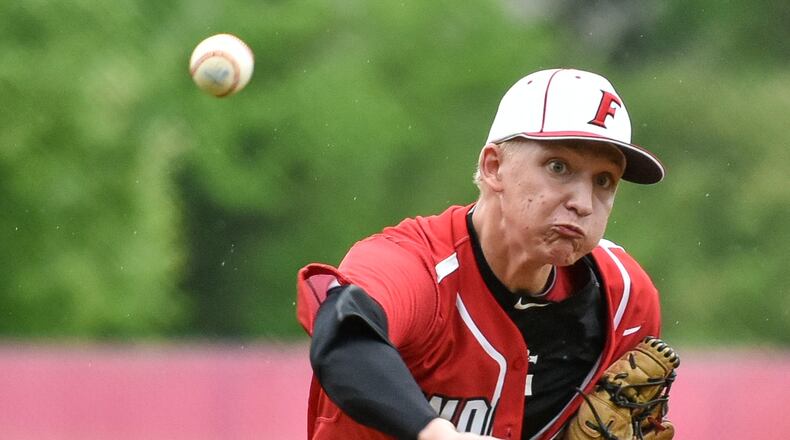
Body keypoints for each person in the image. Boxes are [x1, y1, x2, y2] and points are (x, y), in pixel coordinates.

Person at [296, 68, 668, 440]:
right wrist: (437, 434)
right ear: (494, 167)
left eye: (604, 180)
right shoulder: (417, 265)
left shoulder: (624, 300)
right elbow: (344, 336)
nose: (583, 203)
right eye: (559, 167)